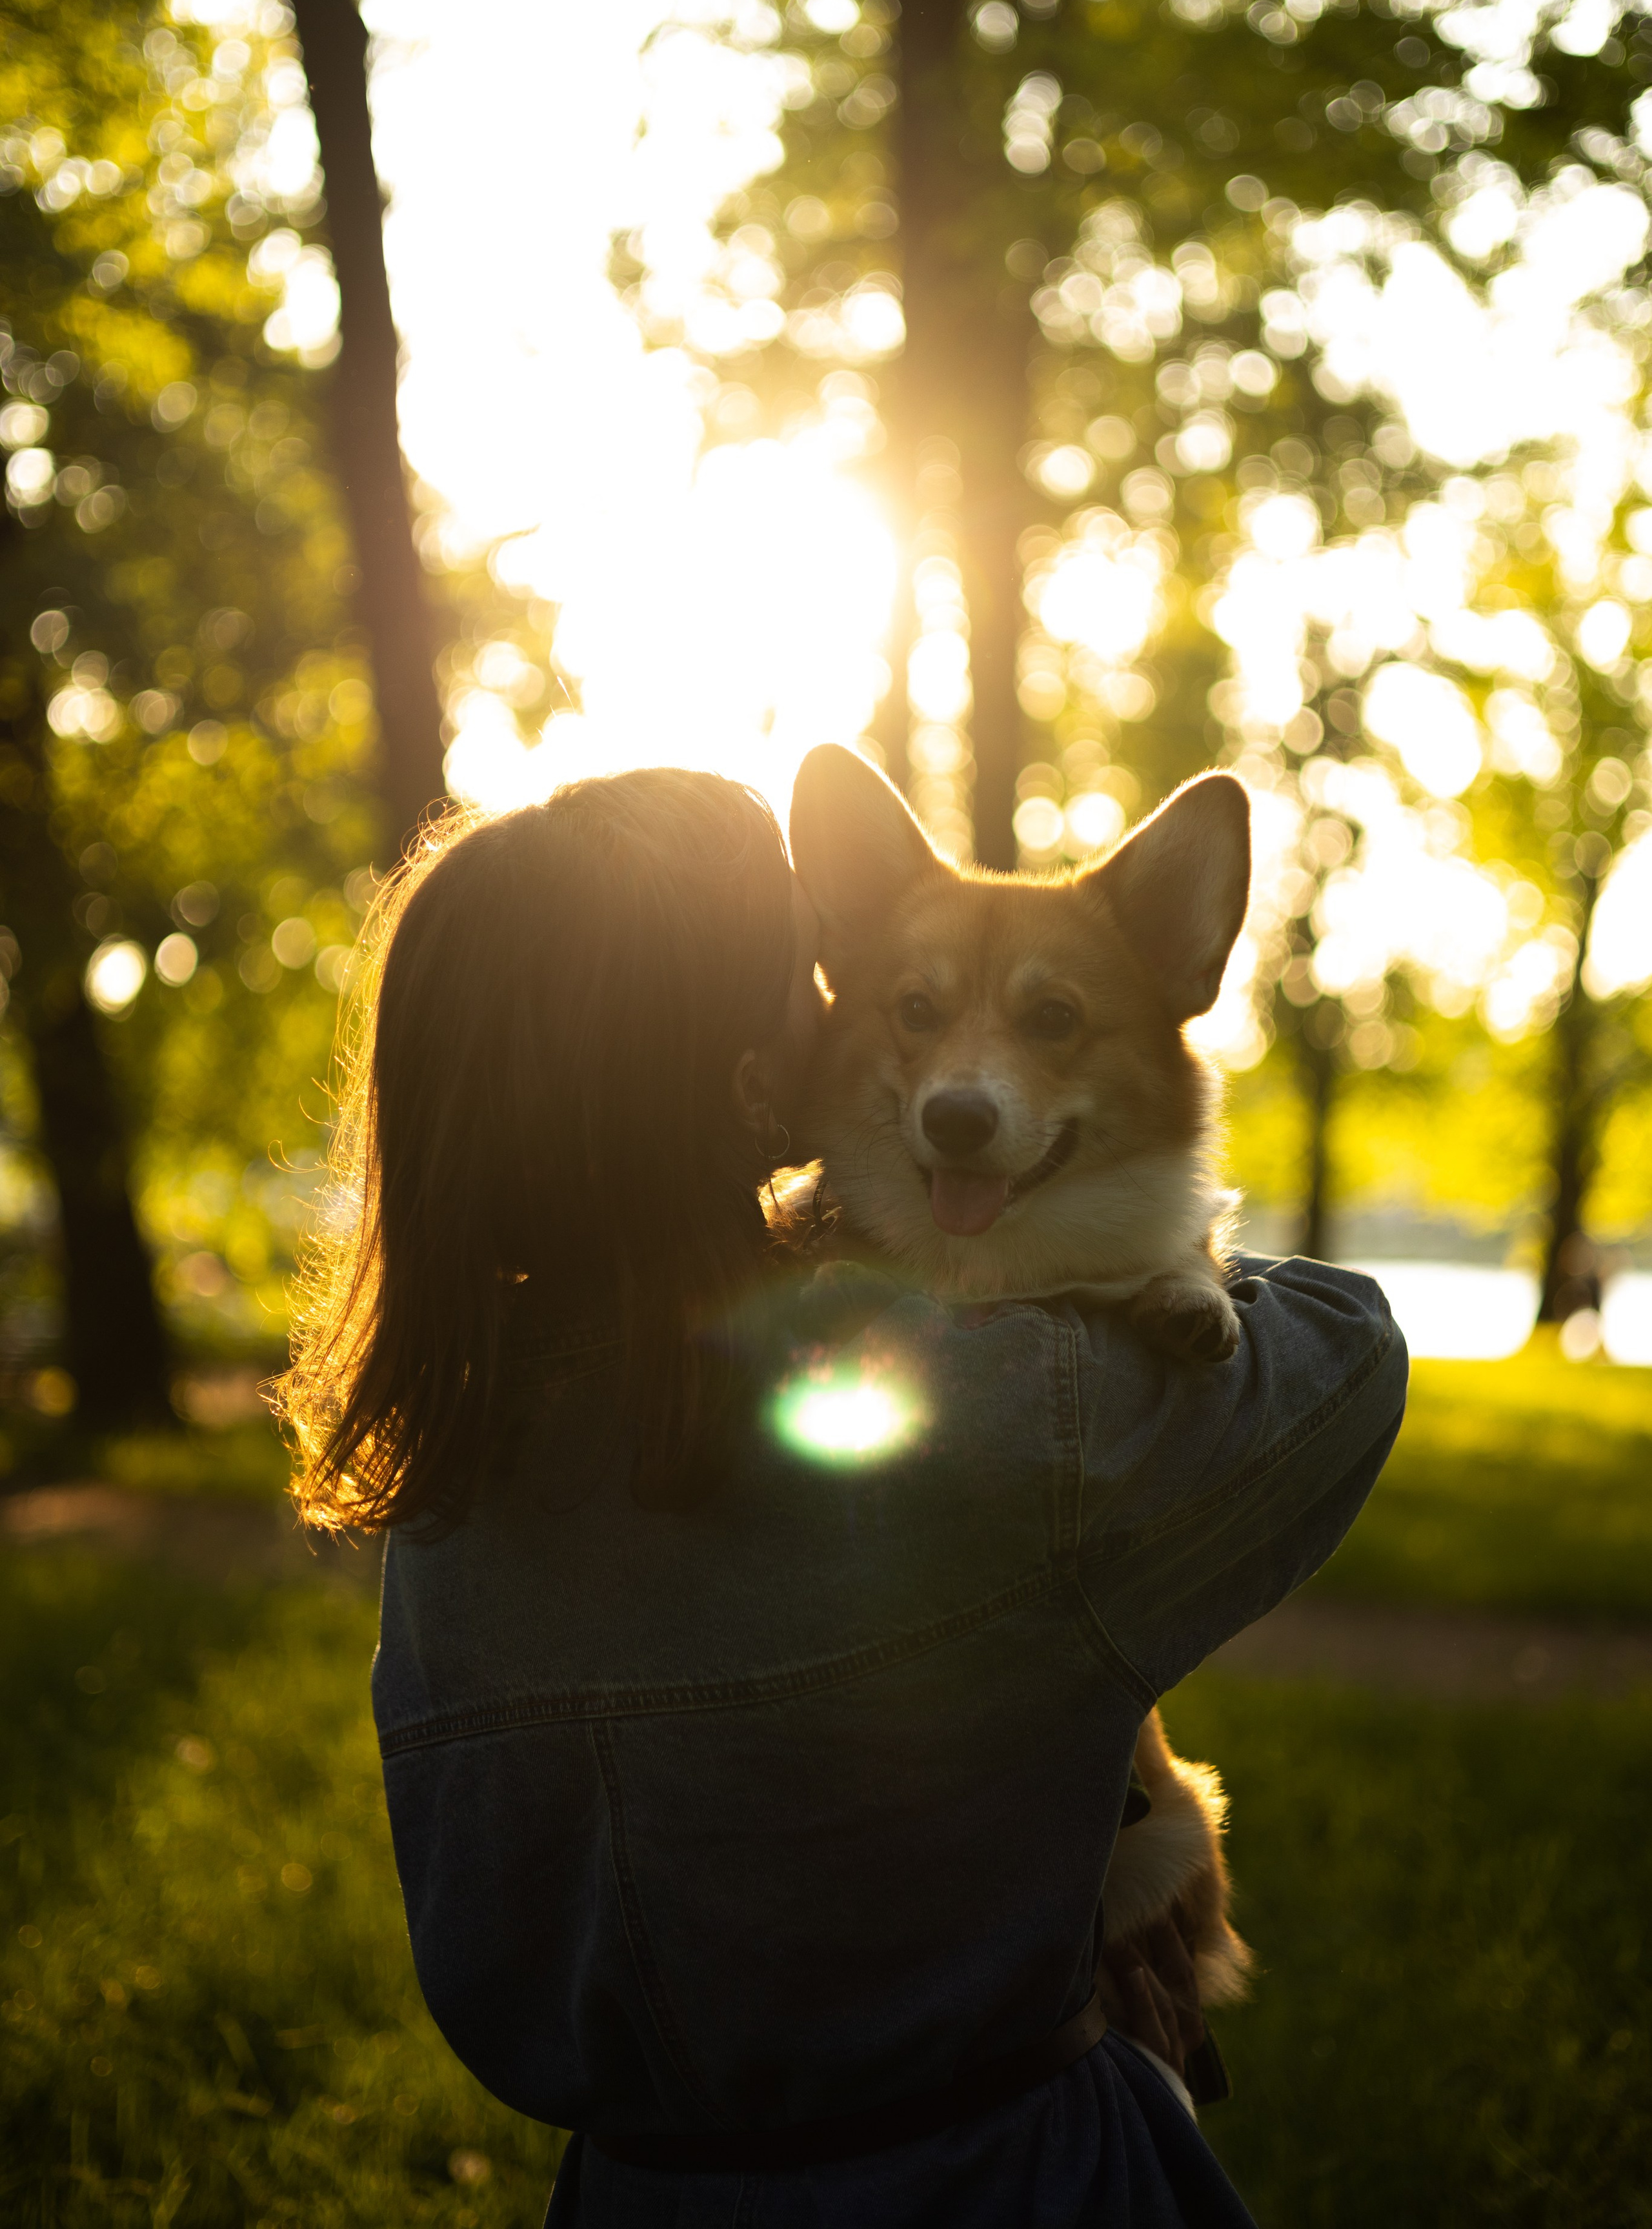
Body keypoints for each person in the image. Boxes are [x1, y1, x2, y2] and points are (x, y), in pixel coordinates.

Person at [281, 768, 1407, 2229]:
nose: (852, 1011)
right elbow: (1349, 1353)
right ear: (749, 1071)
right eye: (814, 971)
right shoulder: (1012, 1426)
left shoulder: (445, 1476)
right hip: (1002, 2176)